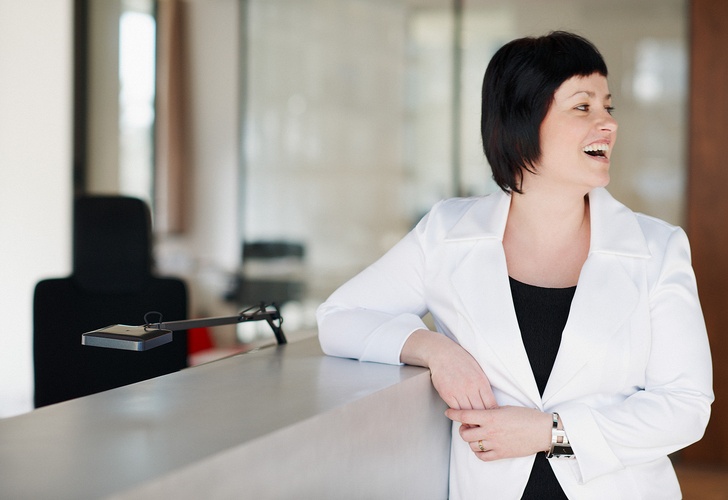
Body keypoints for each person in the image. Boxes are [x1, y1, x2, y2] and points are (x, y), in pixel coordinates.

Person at [316, 31, 713, 499]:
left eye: (608, 107)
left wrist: (550, 432)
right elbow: (339, 317)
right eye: (583, 107)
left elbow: (686, 406)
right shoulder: (447, 233)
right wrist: (434, 350)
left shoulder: (658, 248)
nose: (608, 123)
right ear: (523, 121)